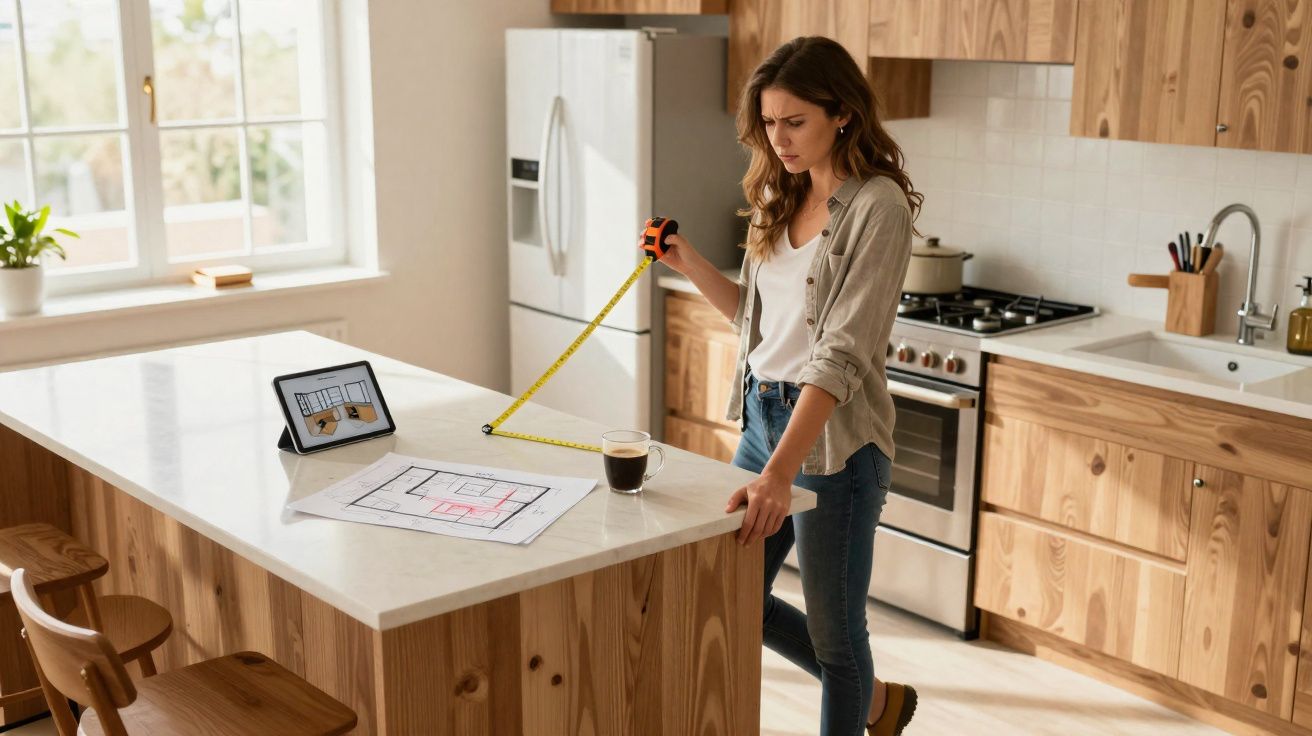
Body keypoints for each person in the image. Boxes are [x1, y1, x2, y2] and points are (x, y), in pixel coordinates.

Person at [654, 36, 920, 736]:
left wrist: (779, 474)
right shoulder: (781, 189)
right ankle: (879, 706)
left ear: (841, 114)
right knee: (734, 592)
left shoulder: (879, 207)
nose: (779, 138)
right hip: (763, 422)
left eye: (794, 121)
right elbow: (755, 317)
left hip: (833, 444)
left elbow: (839, 355)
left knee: (838, 639)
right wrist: (687, 261)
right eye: (769, 123)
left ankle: (861, 705)